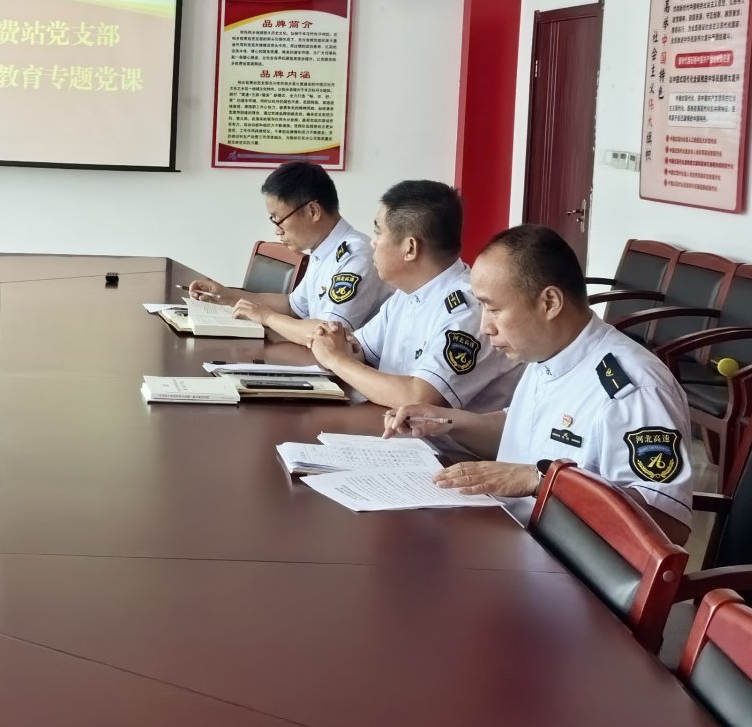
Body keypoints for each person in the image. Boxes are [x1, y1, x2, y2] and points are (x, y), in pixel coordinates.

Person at [387, 224, 695, 541]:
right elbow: (526, 435)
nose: (485, 327)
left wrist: (544, 480)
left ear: (549, 302)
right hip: (508, 531)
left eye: (494, 309)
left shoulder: (633, 388)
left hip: (561, 559)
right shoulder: (547, 352)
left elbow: (668, 524)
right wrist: (448, 423)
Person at [309, 179, 521, 412]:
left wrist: (337, 360)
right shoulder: (407, 293)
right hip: (388, 425)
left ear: (410, 248)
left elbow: (420, 399)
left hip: (437, 437)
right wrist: (334, 342)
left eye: (378, 232)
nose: (373, 242)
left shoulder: (468, 310)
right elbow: (362, 351)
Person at [185, 161, 391, 343]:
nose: (277, 230)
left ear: (313, 211)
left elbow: (329, 335)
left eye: (279, 219)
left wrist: (268, 317)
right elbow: (292, 306)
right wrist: (226, 296)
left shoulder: (355, 256)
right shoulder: (323, 251)